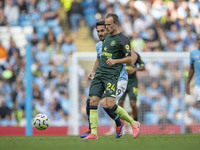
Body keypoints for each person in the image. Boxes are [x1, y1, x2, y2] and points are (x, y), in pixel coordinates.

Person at [83, 13, 140, 139]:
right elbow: (99, 58)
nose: (105, 29)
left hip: (115, 77)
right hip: (100, 75)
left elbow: (132, 57)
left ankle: (132, 123)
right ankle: (93, 132)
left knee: (109, 105)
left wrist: (117, 61)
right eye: (104, 27)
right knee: (92, 100)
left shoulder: (121, 39)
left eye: (108, 25)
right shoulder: (104, 40)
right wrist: (93, 72)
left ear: (116, 24)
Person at [119, 52, 145, 122]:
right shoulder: (119, 53)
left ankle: (136, 122)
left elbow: (143, 67)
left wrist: (135, 69)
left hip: (132, 82)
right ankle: (120, 125)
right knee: (120, 103)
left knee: (133, 103)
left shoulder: (136, 55)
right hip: (121, 80)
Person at [186, 36, 200, 102]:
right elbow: (191, 69)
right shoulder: (193, 53)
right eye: (199, 39)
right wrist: (188, 83)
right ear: (197, 41)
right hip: (198, 84)